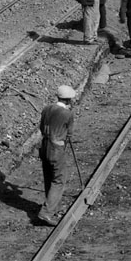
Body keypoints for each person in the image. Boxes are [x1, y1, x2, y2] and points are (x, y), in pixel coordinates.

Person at [37, 84, 76, 226]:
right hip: (56, 147)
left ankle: (54, 207)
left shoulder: (46, 109)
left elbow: (41, 127)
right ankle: (46, 212)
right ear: (68, 100)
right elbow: (69, 133)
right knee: (59, 180)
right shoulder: (67, 114)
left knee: (49, 177)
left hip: (44, 145)